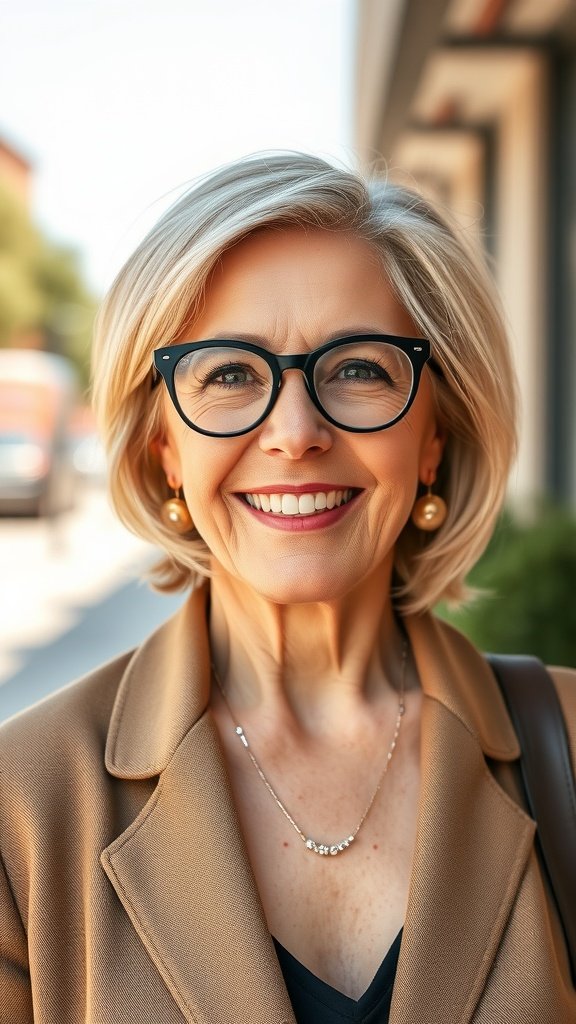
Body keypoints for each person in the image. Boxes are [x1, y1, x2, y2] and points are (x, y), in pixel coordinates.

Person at [1, 153, 575, 1024]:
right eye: (229, 374)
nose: (296, 432)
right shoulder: (21, 810)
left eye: (359, 367)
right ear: (165, 449)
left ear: (433, 438)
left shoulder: (568, 748)